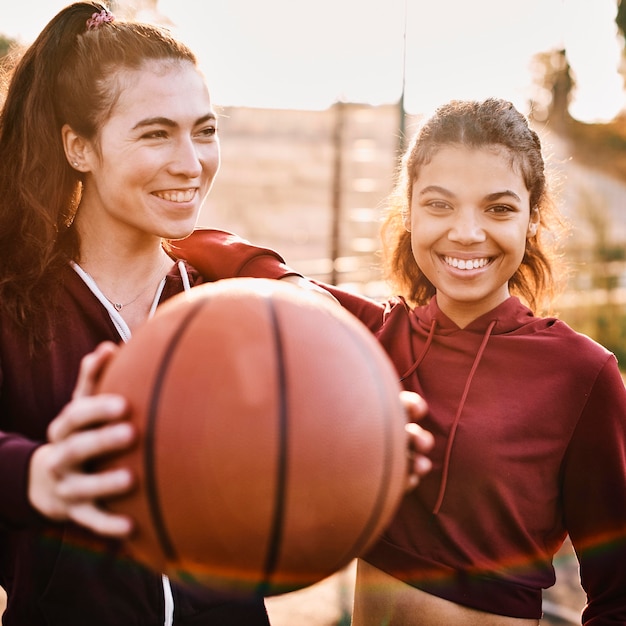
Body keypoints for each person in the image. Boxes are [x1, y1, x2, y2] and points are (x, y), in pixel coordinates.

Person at [0, 3, 435, 624]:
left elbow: (414, 343)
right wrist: (32, 472)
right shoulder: (16, 304)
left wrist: (362, 445)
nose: (190, 161)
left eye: (204, 130)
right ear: (78, 147)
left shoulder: (238, 306)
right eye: (156, 133)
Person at [176, 98, 626, 624]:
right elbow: (203, 247)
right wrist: (297, 287)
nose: (466, 232)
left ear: (532, 220)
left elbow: (618, 594)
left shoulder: (580, 373)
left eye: (498, 208)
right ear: (408, 212)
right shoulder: (370, 339)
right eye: (439, 204)